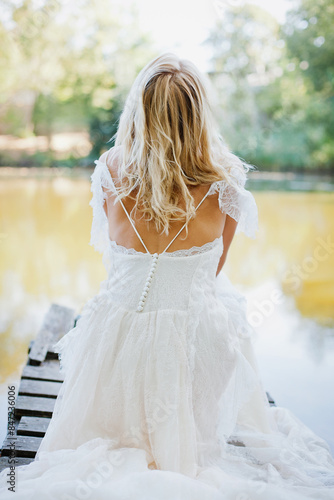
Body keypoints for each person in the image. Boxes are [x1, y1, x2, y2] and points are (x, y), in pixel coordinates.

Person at [1, 52, 334, 500]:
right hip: (191, 339)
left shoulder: (110, 170)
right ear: (198, 113)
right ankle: (183, 442)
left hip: (115, 338)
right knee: (220, 317)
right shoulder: (226, 178)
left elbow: (116, 264)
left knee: (125, 328)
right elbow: (213, 271)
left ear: (137, 110)